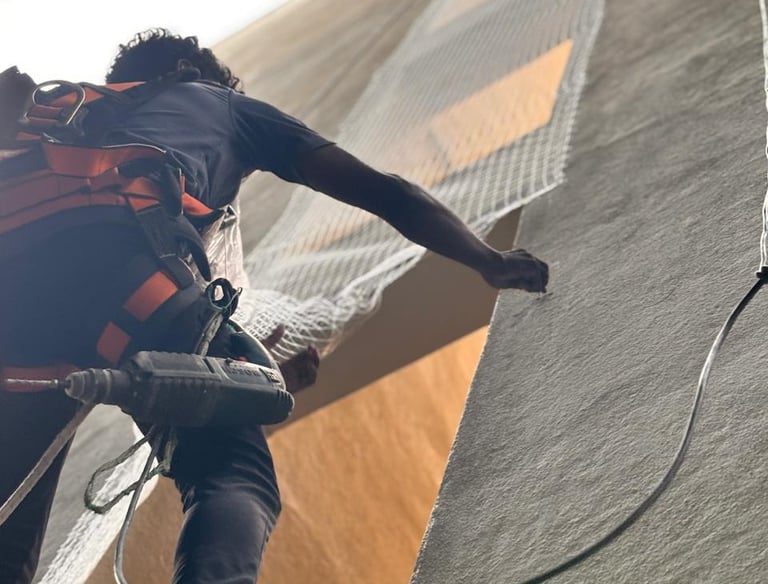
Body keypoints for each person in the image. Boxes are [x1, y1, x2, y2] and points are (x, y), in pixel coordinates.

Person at [0, 29, 548, 584]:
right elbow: (388, 192)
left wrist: (252, 379)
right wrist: (486, 259)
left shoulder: (50, 112)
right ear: (190, 70)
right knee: (231, 475)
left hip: (14, 320)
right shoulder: (219, 104)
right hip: (129, 281)